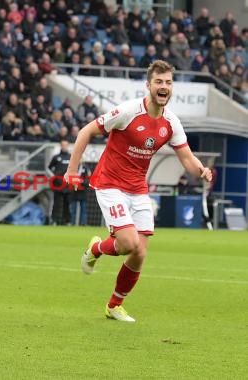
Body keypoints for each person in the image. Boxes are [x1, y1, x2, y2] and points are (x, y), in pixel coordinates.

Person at [64, 60, 213, 323]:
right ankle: (96, 249)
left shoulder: (171, 122)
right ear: (149, 85)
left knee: (140, 252)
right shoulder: (129, 111)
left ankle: (114, 305)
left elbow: (187, 158)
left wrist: (201, 170)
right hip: (110, 184)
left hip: (138, 188)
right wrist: (72, 169)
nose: (163, 86)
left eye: (168, 82)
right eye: (159, 82)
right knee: (129, 243)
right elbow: (87, 131)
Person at [48, 140, 72, 225]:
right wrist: (54, 177)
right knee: (56, 203)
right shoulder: (56, 157)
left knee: (67, 203)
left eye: (66, 145)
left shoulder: (71, 157)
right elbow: (49, 168)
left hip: (68, 184)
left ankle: (67, 221)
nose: (64, 147)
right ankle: (54, 220)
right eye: (63, 145)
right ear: (61, 146)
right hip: (58, 184)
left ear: (68, 146)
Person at [69, 161, 91, 226]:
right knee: (73, 209)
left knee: (83, 209)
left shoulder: (86, 168)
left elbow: (88, 180)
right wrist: (73, 182)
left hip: (83, 191)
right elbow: (69, 178)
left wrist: (81, 182)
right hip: (74, 191)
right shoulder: (73, 168)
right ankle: (72, 223)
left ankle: (83, 223)